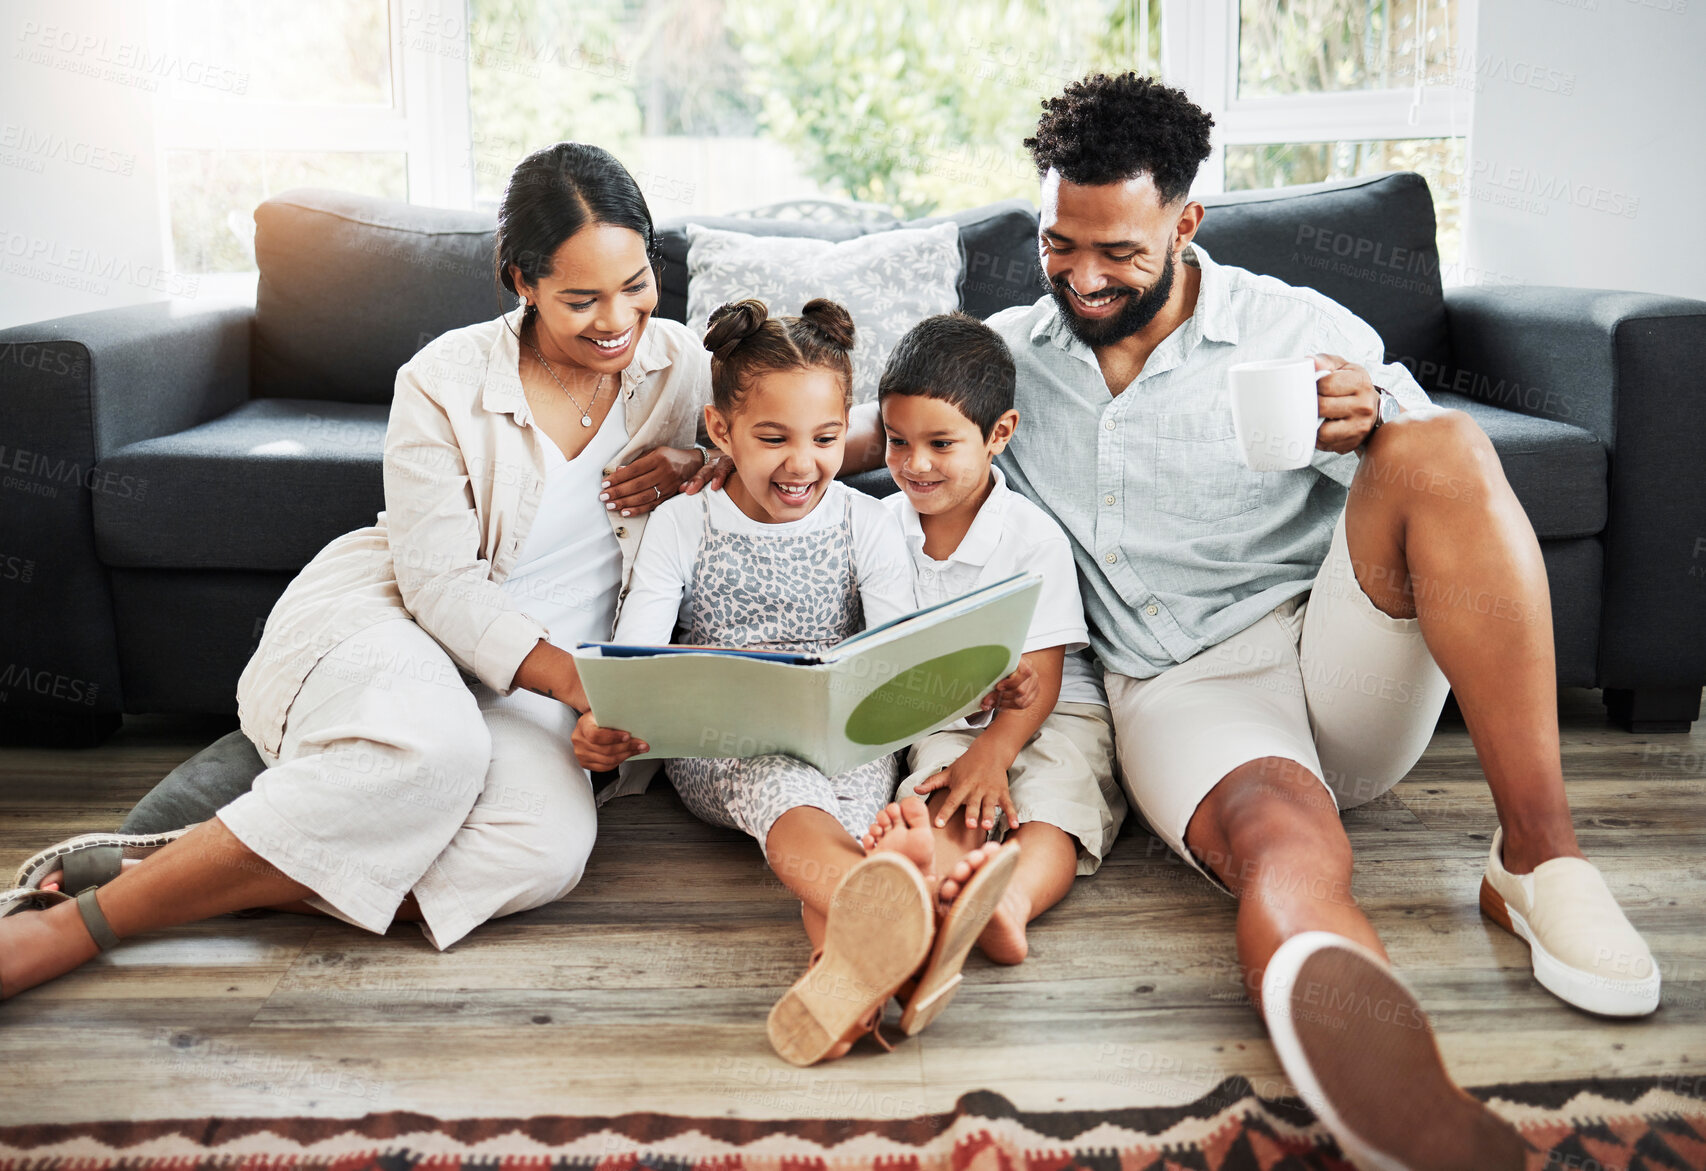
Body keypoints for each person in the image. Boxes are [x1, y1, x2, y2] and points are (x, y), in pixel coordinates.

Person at [2, 142, 728, 997]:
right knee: (439, 753)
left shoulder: (678, 367)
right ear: (521, 280)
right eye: (582, 298)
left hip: (536, 687)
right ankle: (83, 925)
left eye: (636, 284)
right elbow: (443, 588)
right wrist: (585, 686)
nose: (618, 320)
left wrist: (701, 461)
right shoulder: (441, 380)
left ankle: (186, 860)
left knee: (544, 848)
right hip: (405, 618)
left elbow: (829, 422)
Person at [572, 298, 1020, 1065]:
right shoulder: (687, 521)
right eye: (772, 438)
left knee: (842, 823)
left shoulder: (867, 521)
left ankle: (850, 984)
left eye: (823, 437)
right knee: (783, 785)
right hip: (726, 748)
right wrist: (606, 726)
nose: (802, 462)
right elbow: (633, 660)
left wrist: (967, 685)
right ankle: (928, 921)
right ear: (720, 431)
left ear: (848, 426)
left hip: (848, 742)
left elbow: (898, 648)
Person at [861, 313, 1127, 966]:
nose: (914, 464)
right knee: (944, 798)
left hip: (1051, 710)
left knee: (1053, 809)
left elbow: (1045, 670)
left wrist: (998, 747)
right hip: (943, 714)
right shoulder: (879, 529)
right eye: (897, 441)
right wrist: (967, 745)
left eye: (941, 444)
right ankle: (936, 896)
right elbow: (892, 651)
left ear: (998, 434)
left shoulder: (1031, 536)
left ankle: (1010, 903)